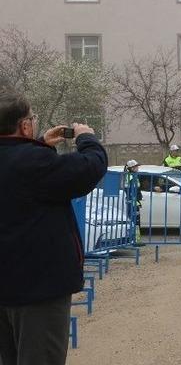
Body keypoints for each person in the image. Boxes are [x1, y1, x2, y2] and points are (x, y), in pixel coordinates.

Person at [0, 90, 107, 365]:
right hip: (37, 291)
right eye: (32, 119)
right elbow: (90, 167)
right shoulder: (33, 164)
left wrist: (39, 145)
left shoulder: (28, 160)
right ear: (24, 125)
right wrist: (87, 137)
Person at [124, 159, 145, 246]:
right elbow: (131, 191)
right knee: (134, 221)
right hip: (133, 202)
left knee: (135, 221)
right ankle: (135, 241)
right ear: (132, 168)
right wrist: (135, 201)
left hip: (134, 201)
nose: (138, 168)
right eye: (136, 166)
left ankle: (136, 240)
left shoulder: (133, 176)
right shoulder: (131, 177)